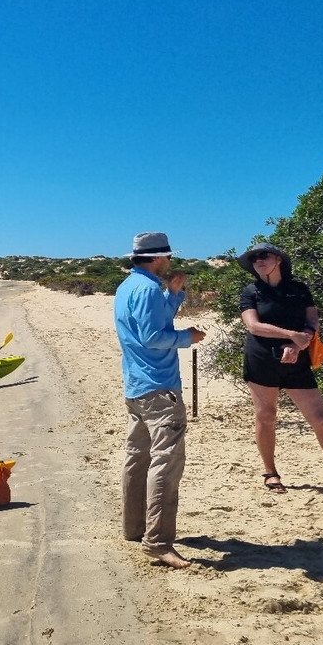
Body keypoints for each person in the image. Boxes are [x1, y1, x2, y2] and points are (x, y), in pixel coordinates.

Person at [114, 232, 206, 569]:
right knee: (165, 463)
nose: (169, 261)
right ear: (158, 258)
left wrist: (175, 294)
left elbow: (150, 323)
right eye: (167, 256)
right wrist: (188, 337)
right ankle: (159, 543)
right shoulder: (148, 288)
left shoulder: (129, 287)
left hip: (136, 386)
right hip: (160, 389)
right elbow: (155, 337)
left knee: (137, 457)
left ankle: (134, 528)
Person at [237, 242, 323, 493]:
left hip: (298, 360)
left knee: (321, 420)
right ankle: (271, 473)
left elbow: (312, 319)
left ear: (279, 259)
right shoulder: (251, 291)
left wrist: (299, 342)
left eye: (264, 255)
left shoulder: (299, 289)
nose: (259, 260)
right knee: (266, 415)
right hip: (262, 358)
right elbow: (253, 326)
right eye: (254, 258)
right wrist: (291, 335)